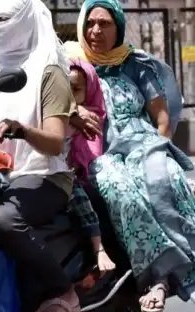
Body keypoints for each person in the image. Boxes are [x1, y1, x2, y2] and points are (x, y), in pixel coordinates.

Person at [64, 0, 195, 312]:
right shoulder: (71, 62)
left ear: (118, 27)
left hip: (144, 143)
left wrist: (157, 149)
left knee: (166, 177)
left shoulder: (136, 65)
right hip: (99, 152)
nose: (95, 30)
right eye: (90, 23)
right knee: (118, 188)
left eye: (104, 23)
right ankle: (157, 277)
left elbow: (162, 119)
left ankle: (189, 266)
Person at [0, 0, 80, 312]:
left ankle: (64, 292)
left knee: (5, 219)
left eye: (4, 18)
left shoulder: (49, 72)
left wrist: (23, 130)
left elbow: (55, 142)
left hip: (44, 175)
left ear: (26, 19)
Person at [66, 58, 116, 274]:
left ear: (90, 89)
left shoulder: (91, 117)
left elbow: (91, 154)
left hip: (80, 176)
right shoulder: (60, 113)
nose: (70, 95)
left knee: (83, 197)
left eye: (76, 89)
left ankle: (99, 248)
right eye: (65, 89)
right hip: (54, 170)